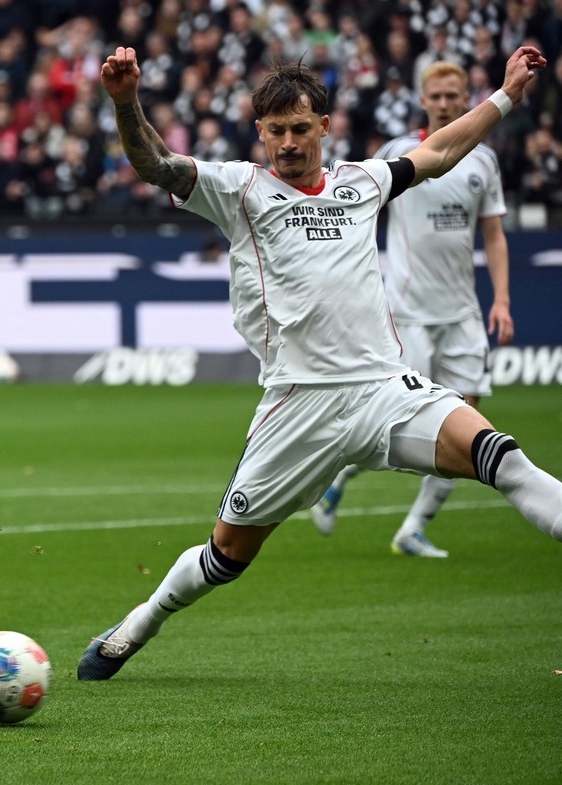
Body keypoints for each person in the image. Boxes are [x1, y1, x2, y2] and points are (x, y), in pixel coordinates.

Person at [78, 45, 560, 682]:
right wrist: (124, 102)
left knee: (503, 456)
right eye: (275, 131)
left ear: (324, 128)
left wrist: (505, 97)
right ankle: (140, 623)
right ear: (260, 133)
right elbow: (157, 164)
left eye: (300, 129)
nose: (287, 143)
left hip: (384, 390)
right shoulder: (238, 189)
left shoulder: (361, 183)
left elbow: (439, 151)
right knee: (226, 554)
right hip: (296, 405)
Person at [311, 62, 515, 558]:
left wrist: (502, 300)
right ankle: (339, 477)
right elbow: (354, 217)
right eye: (437, 95)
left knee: (468, 429)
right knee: (396, 423)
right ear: (422, 99)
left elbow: (493, 233)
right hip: (408, 316)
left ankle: (413, 529)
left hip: (463, 316)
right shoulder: (396, 155)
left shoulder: (483, 162)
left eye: (454, 95)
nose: (445, 103)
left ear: (467, 96)